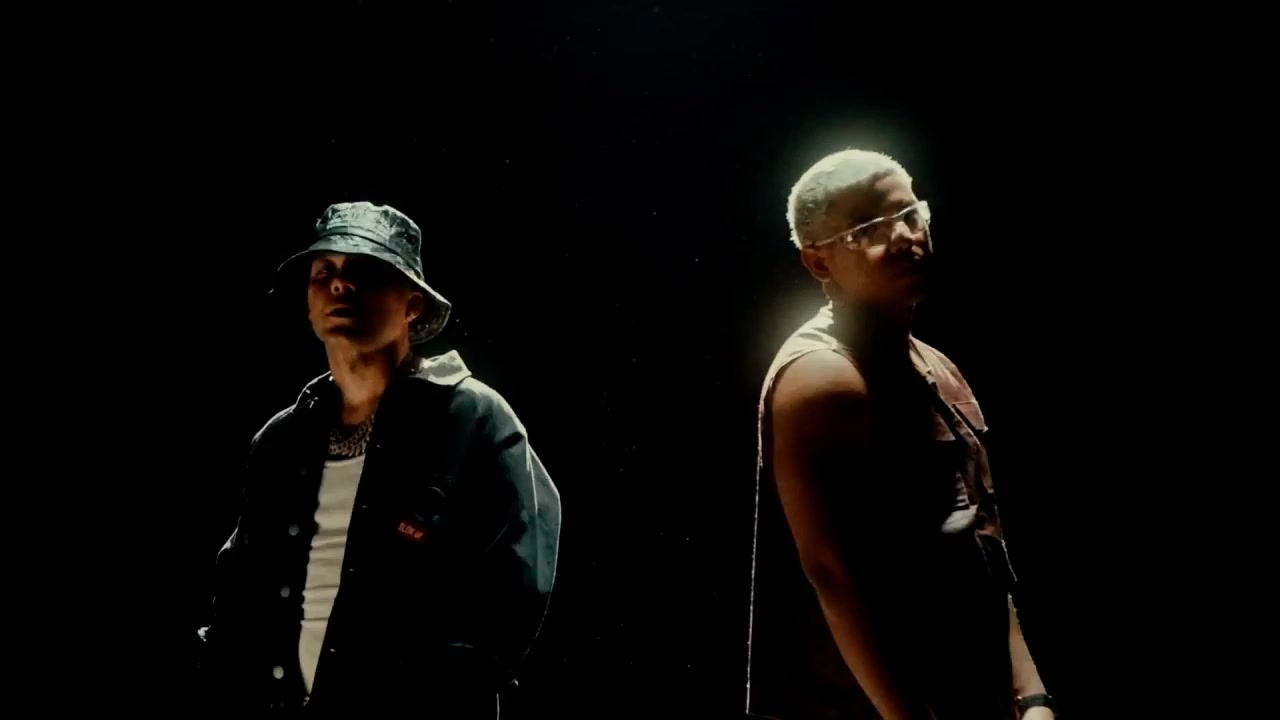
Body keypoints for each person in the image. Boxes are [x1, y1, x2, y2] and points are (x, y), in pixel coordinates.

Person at [196, 201, 561, 716]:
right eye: (324, 271)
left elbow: (513, 591)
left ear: (413, 305)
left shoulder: (475, 419)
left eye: (365, 271)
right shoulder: (281, 439)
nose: (339, 284)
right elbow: (240, 587)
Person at [746, 150, 1054, 719]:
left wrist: (1032, 695)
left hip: (969, 694)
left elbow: (984, 552)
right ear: (818, 263)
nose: (906, 237)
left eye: (912, 214)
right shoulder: (822, 377)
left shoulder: (937, 368)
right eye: (869, 229)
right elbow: (832, 573)